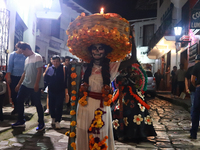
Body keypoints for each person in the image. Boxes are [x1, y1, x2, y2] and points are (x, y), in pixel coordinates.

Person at [66, 12, 134, 149]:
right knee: (83, 132)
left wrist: (133, 38)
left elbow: (133, 60)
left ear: (105, 50)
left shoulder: (111, 67)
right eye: (94, 48)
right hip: (85, 106)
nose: (97, 51)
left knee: (100, 135)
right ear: (91, 51)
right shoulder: (84, 67)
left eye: (100, 48)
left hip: (102, 106)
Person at [112, 64, 156, 142]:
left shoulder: (134, 74)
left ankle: (136, 134)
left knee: (138, 112)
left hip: (132, 93)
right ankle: (120, 133)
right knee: (117, 110)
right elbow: (118, 81)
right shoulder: (120, 73)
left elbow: (134, 82)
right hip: (122, 94)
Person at [11, 42, 45, 131]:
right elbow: (24, 73)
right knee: (19, 100)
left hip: (34, 85)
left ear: (27, 49)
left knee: (37, 103)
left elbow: (39, 72)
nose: (23, 53)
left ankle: (41, 122)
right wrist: (19, 84)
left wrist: (37, 84)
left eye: (23, 51)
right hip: (25, 84)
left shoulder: (38, 57)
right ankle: (21, 120)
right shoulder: (26, 59)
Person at [43, 55, 68, 129]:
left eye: (57, 61)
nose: (56, 63)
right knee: (51, 105)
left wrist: (67, 91)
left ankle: (57, 121)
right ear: (51, 61)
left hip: (60, 90)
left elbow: (67, 80)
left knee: (59, 106)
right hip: (51, 90)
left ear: (60, 61)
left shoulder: (64, 69)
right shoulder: (50, 69)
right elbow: (46, 80)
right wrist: (43, 88)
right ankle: (53, 118)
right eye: (54, 61)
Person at [7, 41, 26, 115]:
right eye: (20, 47)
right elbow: (10, 66)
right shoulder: (13, 55)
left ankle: (21, 108)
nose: (21, 49)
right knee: (14, 93)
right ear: (17, 47)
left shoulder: (25, 55)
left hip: (23, 77)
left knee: (21, 93)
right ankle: (15, 108)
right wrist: (8, 77)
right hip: (14, 76)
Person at [190, 55, 200, 139]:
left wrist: (195, 85)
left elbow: (192, 79)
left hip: (199, 89)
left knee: (196, 110)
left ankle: (193, 133)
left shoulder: (197, 65)